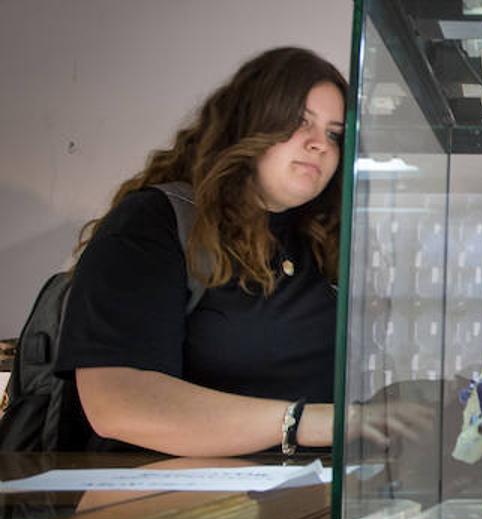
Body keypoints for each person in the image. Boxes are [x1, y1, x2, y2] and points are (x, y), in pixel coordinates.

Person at [55, 47, 346, 457]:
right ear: (248, 123)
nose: (320, 145)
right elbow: (118, 403)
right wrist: (306, 423)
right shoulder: (154, 222)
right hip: (167, 491)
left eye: (334, 134)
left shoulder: (324, 244)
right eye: (300, 122)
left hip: (302, 491)